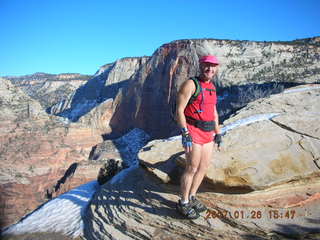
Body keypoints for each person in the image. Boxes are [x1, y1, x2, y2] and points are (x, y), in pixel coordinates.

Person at [175, 55, 222, 219]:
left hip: (208, 132)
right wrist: (185, 133)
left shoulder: (212, 87)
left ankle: (192, 196)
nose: (210, 69)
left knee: (203, 168)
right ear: (201, 65)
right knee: (192, 168)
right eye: (207, 65)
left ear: (217, 68)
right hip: (193, 130)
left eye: (213, 66)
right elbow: (179, 110)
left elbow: (214, 112)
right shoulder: (190, 84)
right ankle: (183, 202)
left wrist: (218, 132)